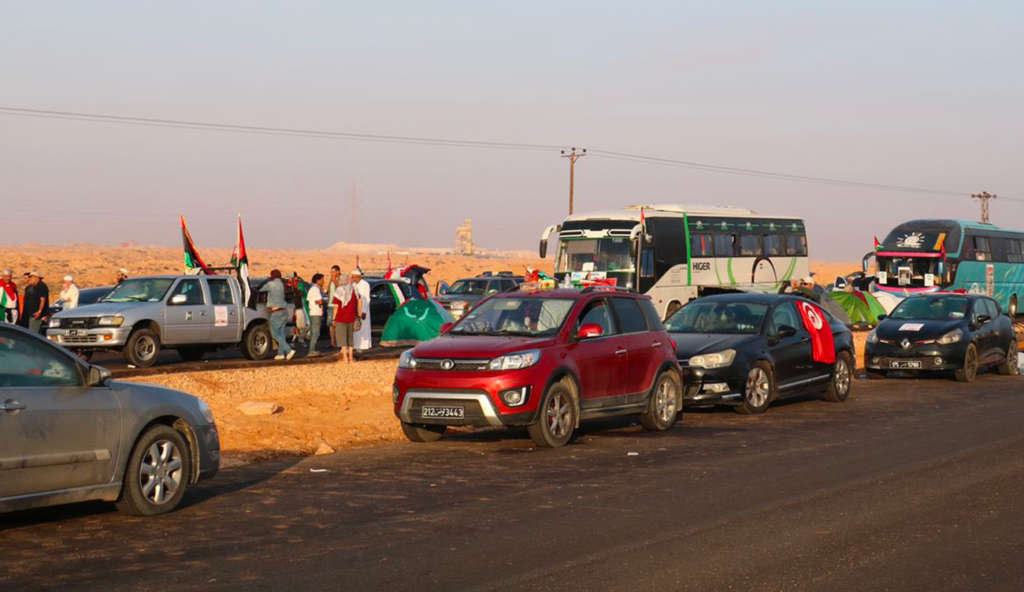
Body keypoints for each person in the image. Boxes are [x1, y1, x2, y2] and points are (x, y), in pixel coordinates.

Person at [260, 269, 294, 360]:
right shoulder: (282, 284)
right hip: (284, 311)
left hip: (276, 312)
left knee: (274, 334)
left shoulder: (270, 284)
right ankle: (281, 354)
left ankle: (289, 350)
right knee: (281, 334)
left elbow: (260, 289)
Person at [332, 275, 361, 364]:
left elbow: (336, 307)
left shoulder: (338, 291)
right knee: (350, 339)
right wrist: (358, 315)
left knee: (342, 339)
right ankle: (351, 358)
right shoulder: (354, 290)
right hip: (352, 317)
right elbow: (359, 302)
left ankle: (345, 358)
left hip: (341, 318)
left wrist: (333, 319)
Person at [351, 269, 372, 351]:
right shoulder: (353, 284)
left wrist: (363, 311)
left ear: (358, 277)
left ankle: (362, 347)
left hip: (363, 310)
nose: (353, 278)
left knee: (363, 328)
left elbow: (366, 299)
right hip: (355, 310)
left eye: (354, 277)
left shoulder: (365, 284)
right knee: (356, 328)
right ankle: (356, 346)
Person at [306, 273, 326, 357]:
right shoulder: (315, 289)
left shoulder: (312, 288)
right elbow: (320, 301)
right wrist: (322, 302)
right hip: (316, 313)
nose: (323, 281)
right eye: (322, 280)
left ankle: (312, 349)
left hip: (313, 312)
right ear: (318, 280)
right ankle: (311, 350)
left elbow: (308, 300)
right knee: (316, 332)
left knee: (314, 331)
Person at [326, 265, 342, 347]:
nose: (331, 273)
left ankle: (339, 342)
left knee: (337, 324)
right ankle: (332, 342)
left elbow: (339, 288)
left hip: (337, 306)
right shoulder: (331, 280)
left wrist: (334, 280)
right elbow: (328, 291)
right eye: (331, 272)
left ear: (338, 271)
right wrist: (330, 281)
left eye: (333, 271)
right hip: (330, 305)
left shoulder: (341, 279)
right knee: (331, 325)